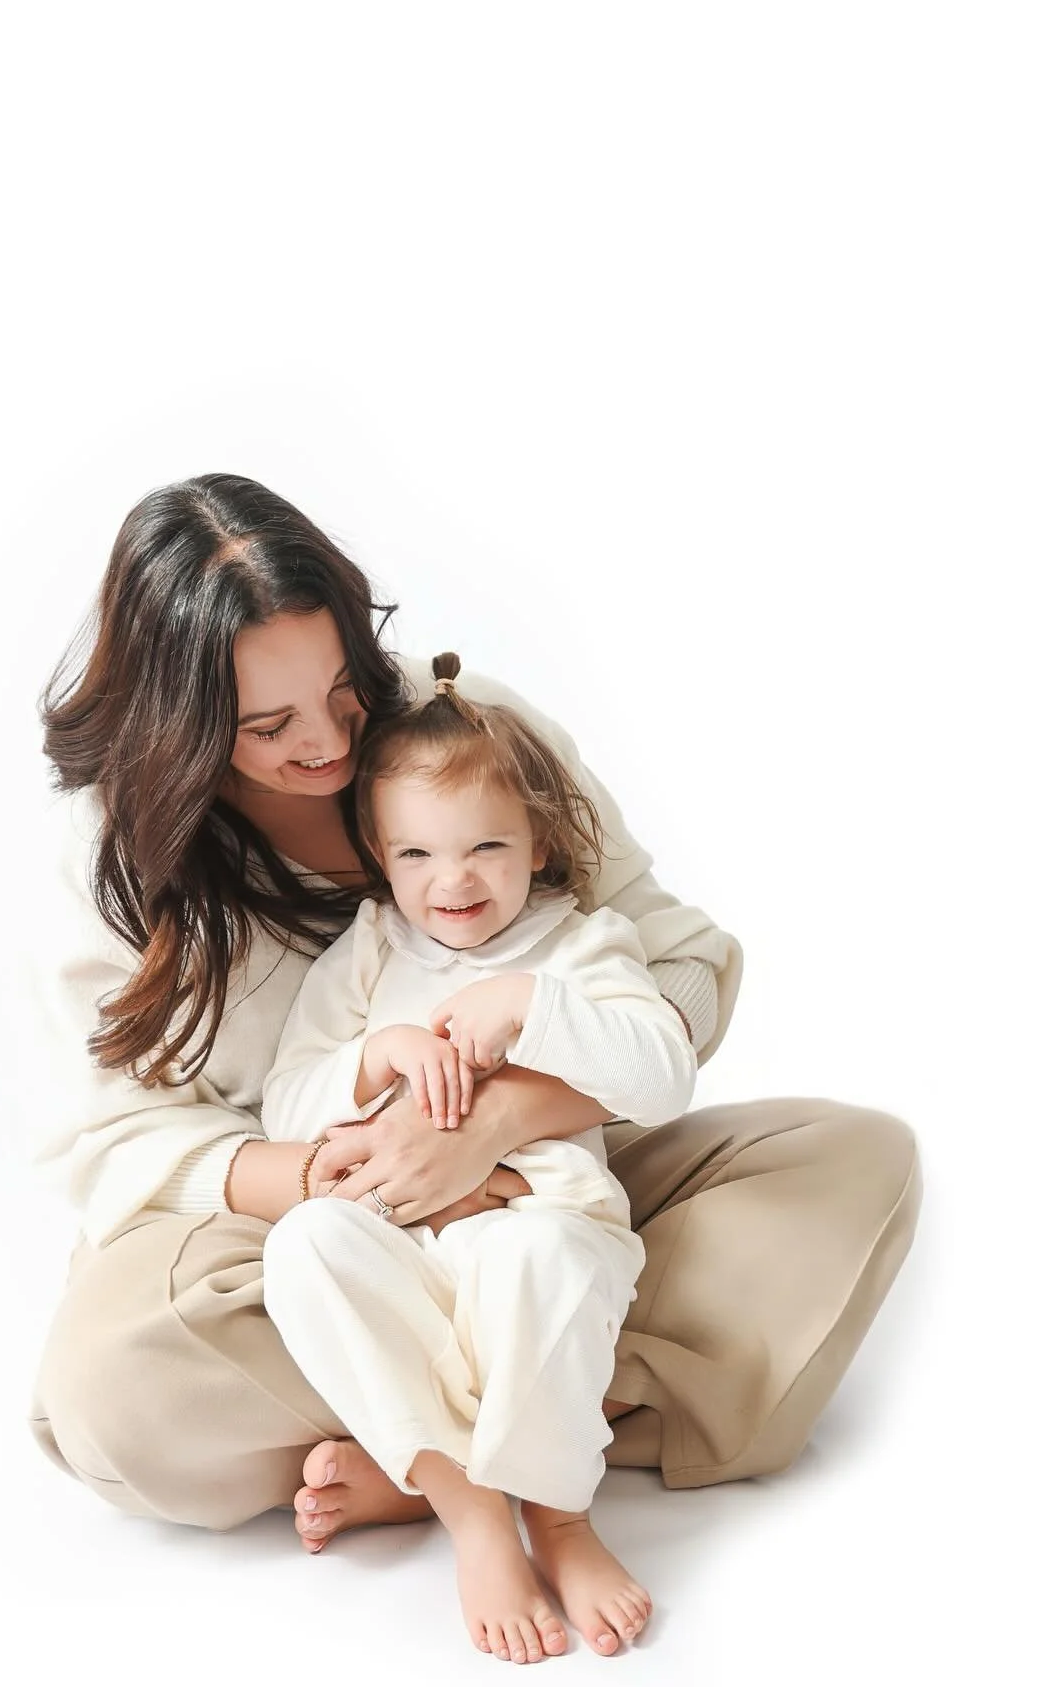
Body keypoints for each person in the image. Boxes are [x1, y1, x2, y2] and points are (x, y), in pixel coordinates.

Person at [29, 473, 921, 1630]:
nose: (331, 742)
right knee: (113, 1387)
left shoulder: (465, 736)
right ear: (181, 725)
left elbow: (683, 967)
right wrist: (360, 1169)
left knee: (850, 1161)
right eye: (268, 725)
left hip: (549, 1183)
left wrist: (502, 1122)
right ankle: (525, 1435)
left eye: (346, 688)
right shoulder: (115, 859)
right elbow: (113, 1145)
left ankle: (443, 1454)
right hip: (310, 1219)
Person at [260, 653, 689, 1660]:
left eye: (487, 846)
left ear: (538, 842)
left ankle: (560, 1519)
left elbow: (663, 1073)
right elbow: (287, 1098)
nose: (452, 882)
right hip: (399, 1238)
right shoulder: (368, 952)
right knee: (305, 1247)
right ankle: (473, 1515)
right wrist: (373, 1057)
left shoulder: (581, 945)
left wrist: (532, 1006)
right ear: (378, 853)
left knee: (533, 1268)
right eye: (416, 856)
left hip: (535, 1228)